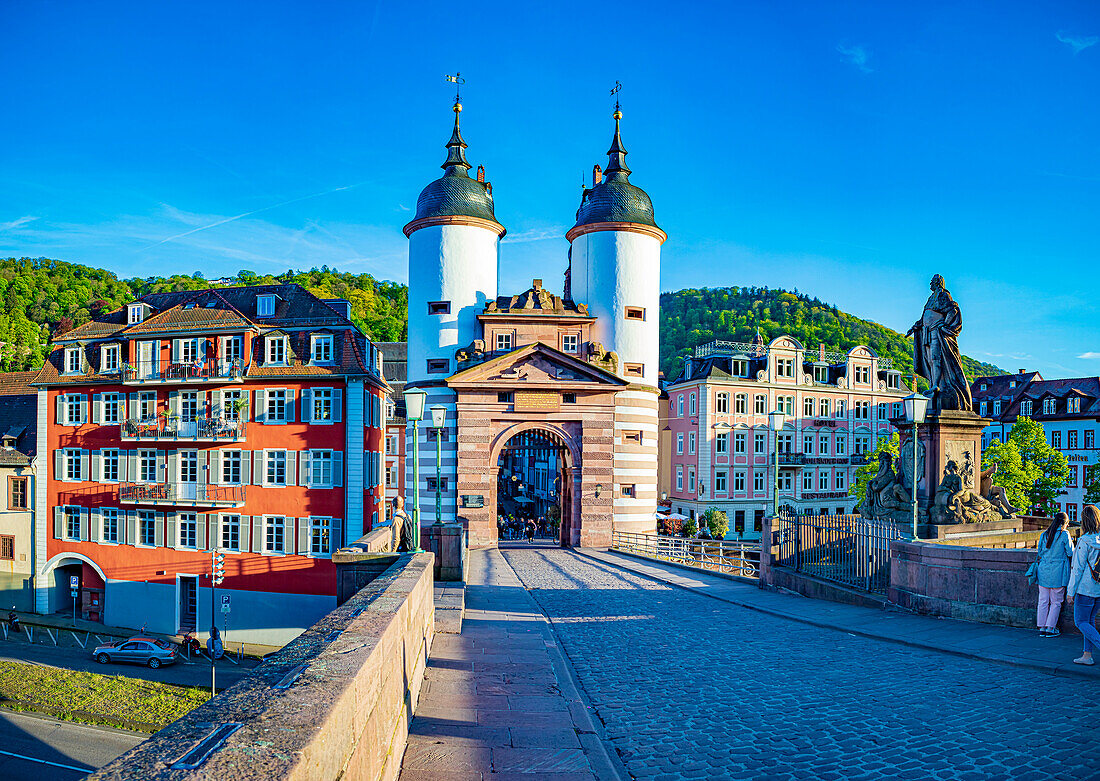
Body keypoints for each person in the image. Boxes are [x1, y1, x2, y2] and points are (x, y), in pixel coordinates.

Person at [1067, 504, 1100, 665]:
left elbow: (1077, 569)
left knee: (1081, 622)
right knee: (1090, 620)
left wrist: (1070, 592)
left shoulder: (1084, 541)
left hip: (1085, 588)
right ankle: (1087, 655)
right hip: (1099, 588)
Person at [1035, 512, 1074, 637]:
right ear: (1065, 523)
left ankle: (1041, 626)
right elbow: (1070, 552)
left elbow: (1040, 552)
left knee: (1043, 600)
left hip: (1044, 571)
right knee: (1056, 601)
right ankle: (1050, 628)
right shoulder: (1064, 534)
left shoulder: (1045, 534)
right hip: (1058, 571)